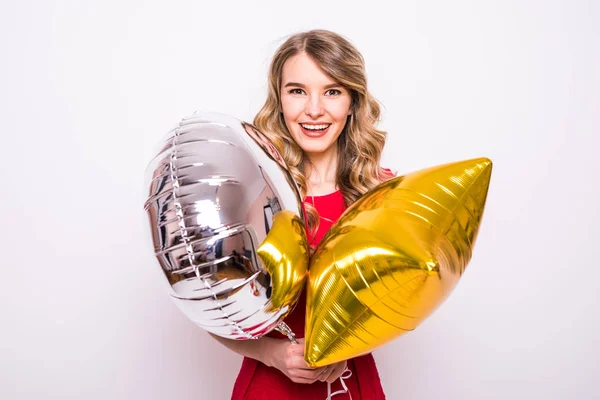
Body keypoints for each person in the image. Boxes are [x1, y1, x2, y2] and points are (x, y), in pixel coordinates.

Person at [211, 29, 394, 399]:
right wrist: (273, 354)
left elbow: (403, 299)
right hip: (269, 387)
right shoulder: (251, 192)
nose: (314, 110)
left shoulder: (382, 192)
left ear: (352, 101)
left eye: (332, 91)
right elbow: (213, 308)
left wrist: (348, 345)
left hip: (351, 385)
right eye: (297, 91)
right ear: (279, 100)